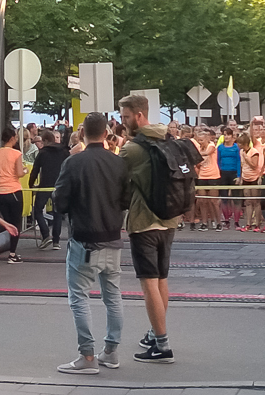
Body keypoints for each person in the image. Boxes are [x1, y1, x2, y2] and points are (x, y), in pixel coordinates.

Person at [52, 112, 131, 375]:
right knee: (113, 296)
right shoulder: (119, 163)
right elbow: (126, 199)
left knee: (79, 297)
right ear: (107, 133)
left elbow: (60, 201)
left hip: (84, 239)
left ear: (83, 132)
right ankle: (111, 351)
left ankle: (87, 356)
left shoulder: (74, 163)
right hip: (112, 236)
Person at [118, 94, 177, 364]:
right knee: (161, 280)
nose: (123, 121)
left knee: (148, 284)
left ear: (139, 115)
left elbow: (121, 185)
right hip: (169, 220)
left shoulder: (132, 149)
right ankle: (155, 334)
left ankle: (161, 345)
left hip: (143, 222)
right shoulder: (169, 139)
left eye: (126, 116)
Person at [0, 126, 26, 264]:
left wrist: (2, 171)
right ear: (12, 138)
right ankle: (12, 254)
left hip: (0, 192)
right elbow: (20, 173)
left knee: (6, 221)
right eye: (16, 136)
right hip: (14, 190)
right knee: (15, 223)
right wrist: (26, 170)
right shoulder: (16, 154)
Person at [29, 127, 69, 249]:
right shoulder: (64, 151)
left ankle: (45, 235)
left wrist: (31, 185)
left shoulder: (43, 153)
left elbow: (35, 170)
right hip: (59, 185)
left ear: (46, 141)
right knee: (57, 212)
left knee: (37, 210)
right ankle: (56, 241)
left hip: (44, 185)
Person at [194, 127, 220, 231]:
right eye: (199, 140)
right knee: (202, 201)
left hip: (213, 176)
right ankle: (204, 222)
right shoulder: (199, 149)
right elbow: (198, 165)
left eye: (202, 140)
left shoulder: (211, 145)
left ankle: (218, 222)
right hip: (202, 176)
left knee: (213, 201)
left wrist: (196, 154)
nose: (200, 143)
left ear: (207, 140)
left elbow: (208, 152)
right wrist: (198, 162)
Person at [236, 133, 263, 231]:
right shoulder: (241, 151)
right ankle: (248, 223)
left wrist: (246, 158)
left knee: (255, 202)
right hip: (245, 178)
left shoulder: (253, 152)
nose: (238, 145)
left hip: (254, 178)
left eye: (240, 143)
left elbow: (254, 165)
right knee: (248, 202)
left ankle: (257, 223)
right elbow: (242, 165)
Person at [216, 127, 241, 229]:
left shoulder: (236, 148)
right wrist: (219, 173)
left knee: (236, 198)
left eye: (228, 135)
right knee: (224, 198)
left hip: (234, 172)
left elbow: (239, 161)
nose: (226, 137)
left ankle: (236, 221)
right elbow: (218, 161)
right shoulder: (220, 148)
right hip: (223, 173)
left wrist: (239, 175)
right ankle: (226, 220)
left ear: (232, 136)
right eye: (224, 135)